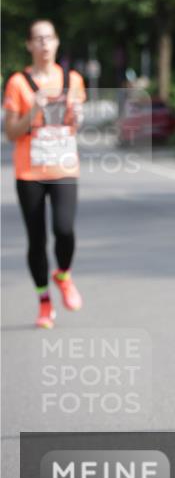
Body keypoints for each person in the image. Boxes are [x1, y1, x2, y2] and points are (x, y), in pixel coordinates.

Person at [3, 20, 86, 329]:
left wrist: (78, 116)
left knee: (64, 230)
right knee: (36, 241)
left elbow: (74, 125)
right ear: (29, 45)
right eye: (37, 39)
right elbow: (11, 133)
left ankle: (63, 274)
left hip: (63, 167)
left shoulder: (72, 79)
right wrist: (32, 111)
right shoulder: (18, 83)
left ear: (57, 42)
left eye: (49, 38)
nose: (44, 44)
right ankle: (44, 301)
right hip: (30, 172)